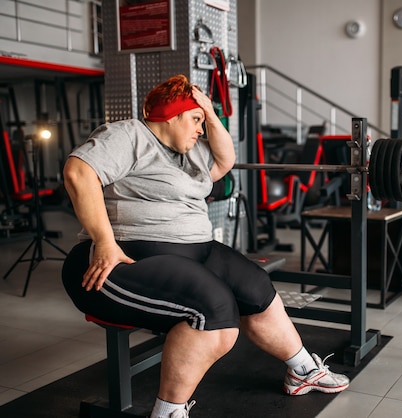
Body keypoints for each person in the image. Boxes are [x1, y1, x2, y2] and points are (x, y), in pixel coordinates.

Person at [61, 74, 349, 418]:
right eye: (195, 119)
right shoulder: (129, 134)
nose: (201, 129)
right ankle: (168, 412)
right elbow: (78, 172)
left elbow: (225, 162)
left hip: (194, 249)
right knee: (215, 312)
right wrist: (105, 243)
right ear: (172, 116)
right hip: (120, 258)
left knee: (257, 289)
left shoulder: (192, 153)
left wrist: (210, 114)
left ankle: (303, 371)